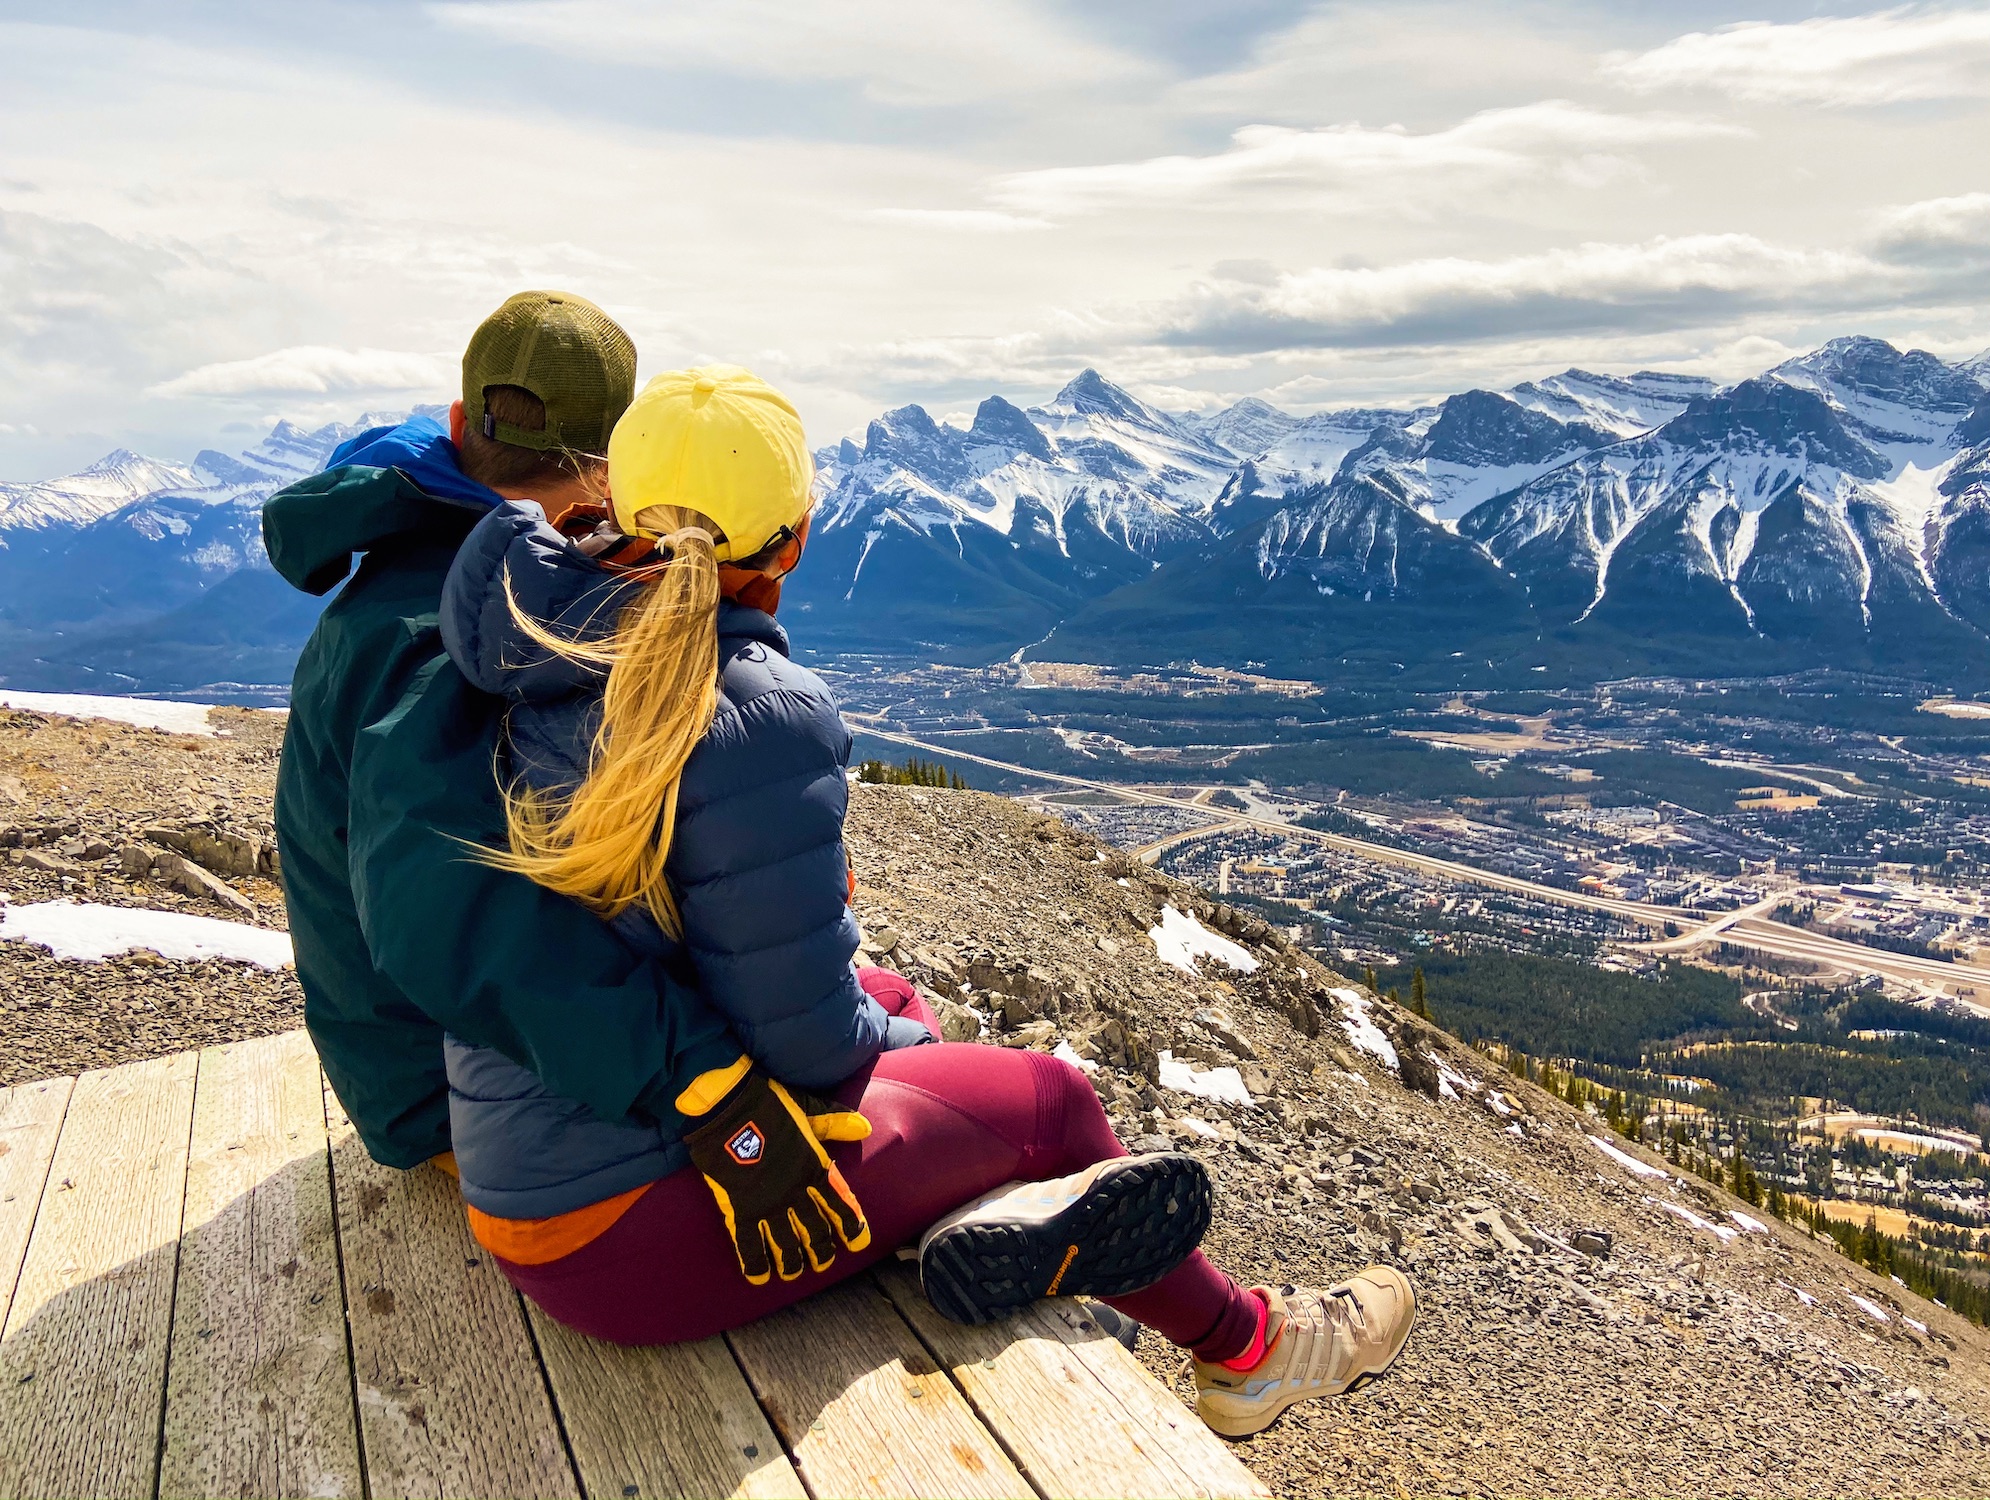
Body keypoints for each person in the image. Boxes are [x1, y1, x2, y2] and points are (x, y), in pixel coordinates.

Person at [436, 362, 1419, 1437]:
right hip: (635, 1233)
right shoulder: (755, 712)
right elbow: (811, 1046)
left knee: (900, 1007)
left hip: (527, 1178)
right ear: (795, 538)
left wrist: (890, 1015)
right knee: (1049, 1102)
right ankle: (1252, 1352)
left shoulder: (538, 643)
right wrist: (903, 1032)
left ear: (618, 507)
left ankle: (957, 1217)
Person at [265, 291, 743, 1172]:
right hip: (441, 1095)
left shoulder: (424, 575)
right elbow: (444, 912)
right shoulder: (461, 630)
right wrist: (700, 1075)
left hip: (412, 1045)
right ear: (613, 466)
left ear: (457, 422)